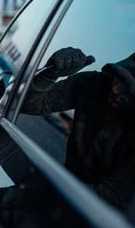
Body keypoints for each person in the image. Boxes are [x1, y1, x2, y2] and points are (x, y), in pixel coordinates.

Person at [22, 47, 135, 210]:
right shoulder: (95, 85)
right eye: (120, 79)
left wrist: (46, 193)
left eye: (127, 91)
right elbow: (29, 104)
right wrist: (49, 73)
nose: (116, 89)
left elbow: (113, 196)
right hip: (62, 196)